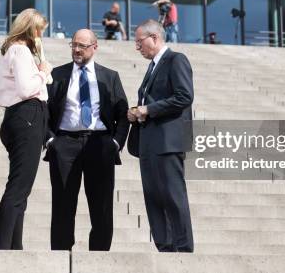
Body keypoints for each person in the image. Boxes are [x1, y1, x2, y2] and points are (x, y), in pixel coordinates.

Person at [45, 29, 129, 251]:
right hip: (64, 144)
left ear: (95, 47)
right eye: (73, 45)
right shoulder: (58, 74)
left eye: (82, 46)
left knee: (102, 206)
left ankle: (99, 258)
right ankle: (62, 257)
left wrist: (115, 144)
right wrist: (50, 141)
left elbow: (123, 113)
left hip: (99, 144)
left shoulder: (110, 76)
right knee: (62, 205)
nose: (76, 49)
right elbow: (43, 110)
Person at [126, 19, 194, 252]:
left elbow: (184, 96)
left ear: (154, 38)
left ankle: (183, 250)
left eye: (139, 41)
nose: (137, 47)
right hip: (149, 143)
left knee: (173, 197)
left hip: (168, 142)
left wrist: (148, 109)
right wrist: (137, 111)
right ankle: (165, 248)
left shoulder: (176, 60)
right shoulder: (152, 66)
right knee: (153, 198)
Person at [0, 8, 52, 250]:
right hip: (26, 116)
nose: (41, 35)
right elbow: (27, 88)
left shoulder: (19, 51)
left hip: (23, 117)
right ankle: (5, 248)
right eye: (39, 30)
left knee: (21, 189)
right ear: (31, 29)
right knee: (18, 188)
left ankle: (14, 247)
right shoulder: (19, 50)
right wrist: (43, 72)